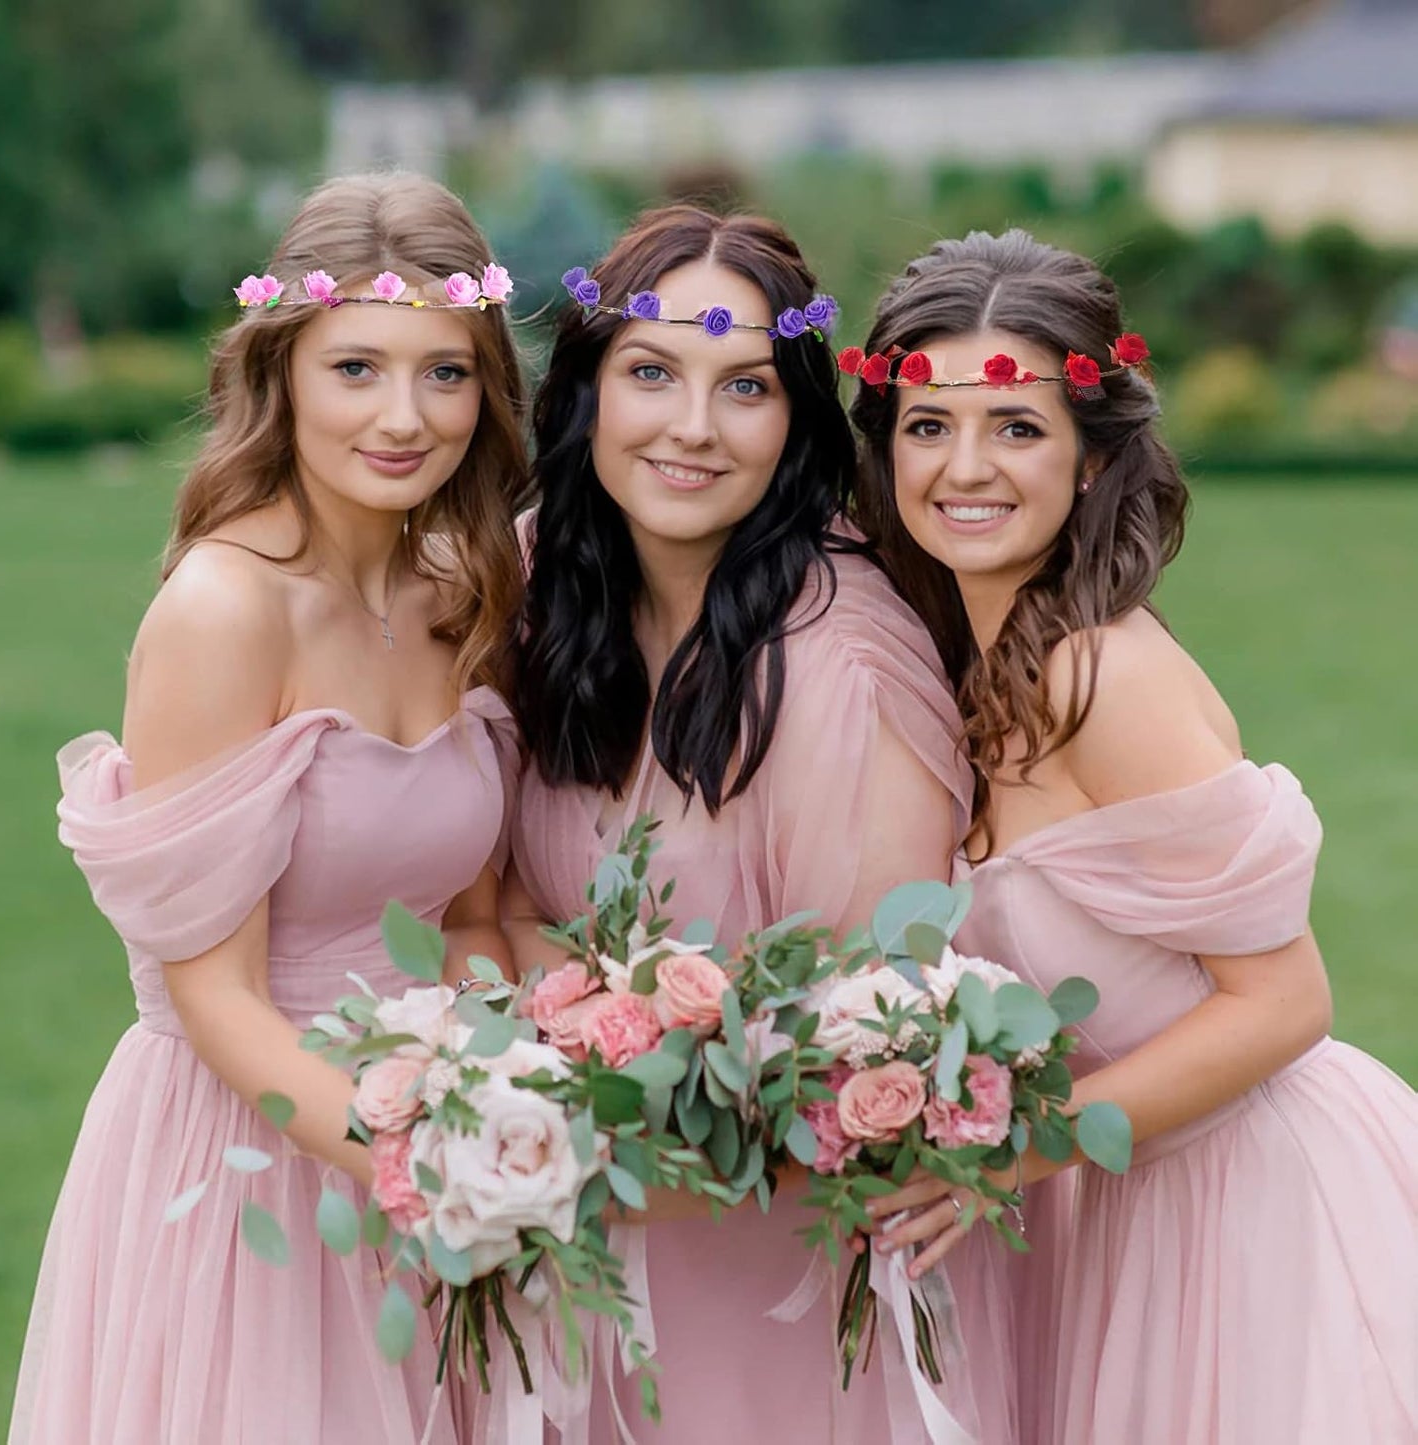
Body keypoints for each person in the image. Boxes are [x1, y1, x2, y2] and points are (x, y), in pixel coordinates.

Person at [852, 228, 1418, 1444]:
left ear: (1090, 455)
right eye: (926, 425)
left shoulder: (1098, 673)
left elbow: (1280, 1000)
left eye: (1015, 427)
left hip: (1246, 1205)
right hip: (1123, 1197)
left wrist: (1002, 1162)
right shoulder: (971, 665)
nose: (966, 466)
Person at [9, 172, 527, 1445]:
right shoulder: (222, 609)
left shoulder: (466, 587)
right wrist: (416, 1172)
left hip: (438, 1133)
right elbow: (216, 995)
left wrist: (512, 1105)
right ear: (282, 371)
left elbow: (467, 915)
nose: (404, 416)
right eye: (356, 367)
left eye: (444, 373)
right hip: (252, 1154)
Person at [502, 205, 1017, 1444]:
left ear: (793, 423)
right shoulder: (535, 590)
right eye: (649, 374)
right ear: (583, 394)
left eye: (742, 387)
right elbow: (489, 892)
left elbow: (866, 1043)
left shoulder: (841, 663)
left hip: (787, 1267)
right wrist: (569, 1051)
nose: (690, 427)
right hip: (585, 1240)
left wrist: (608, 1103)